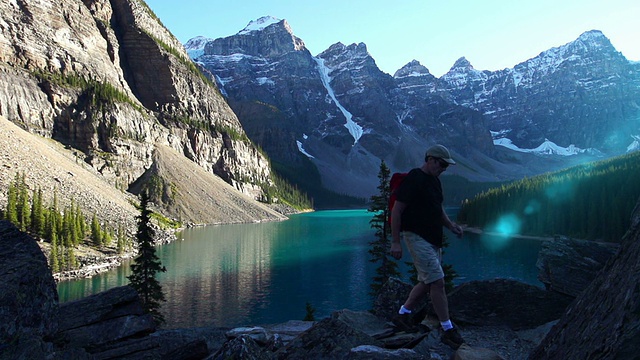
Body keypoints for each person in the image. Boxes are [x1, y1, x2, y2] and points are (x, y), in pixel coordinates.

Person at [389, 144, 465, 350]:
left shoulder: (435, 182)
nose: (443, 168)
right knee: (438, 282)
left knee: (426, 281)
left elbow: (438, 210)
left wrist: (451, 226)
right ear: (430, 159)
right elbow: (397, 211)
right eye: (441, 164)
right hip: (415, 236)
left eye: (446, 167)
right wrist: (396, 241)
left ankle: (402, 314)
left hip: (433, 239)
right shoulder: (415, 178)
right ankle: (447, 329)